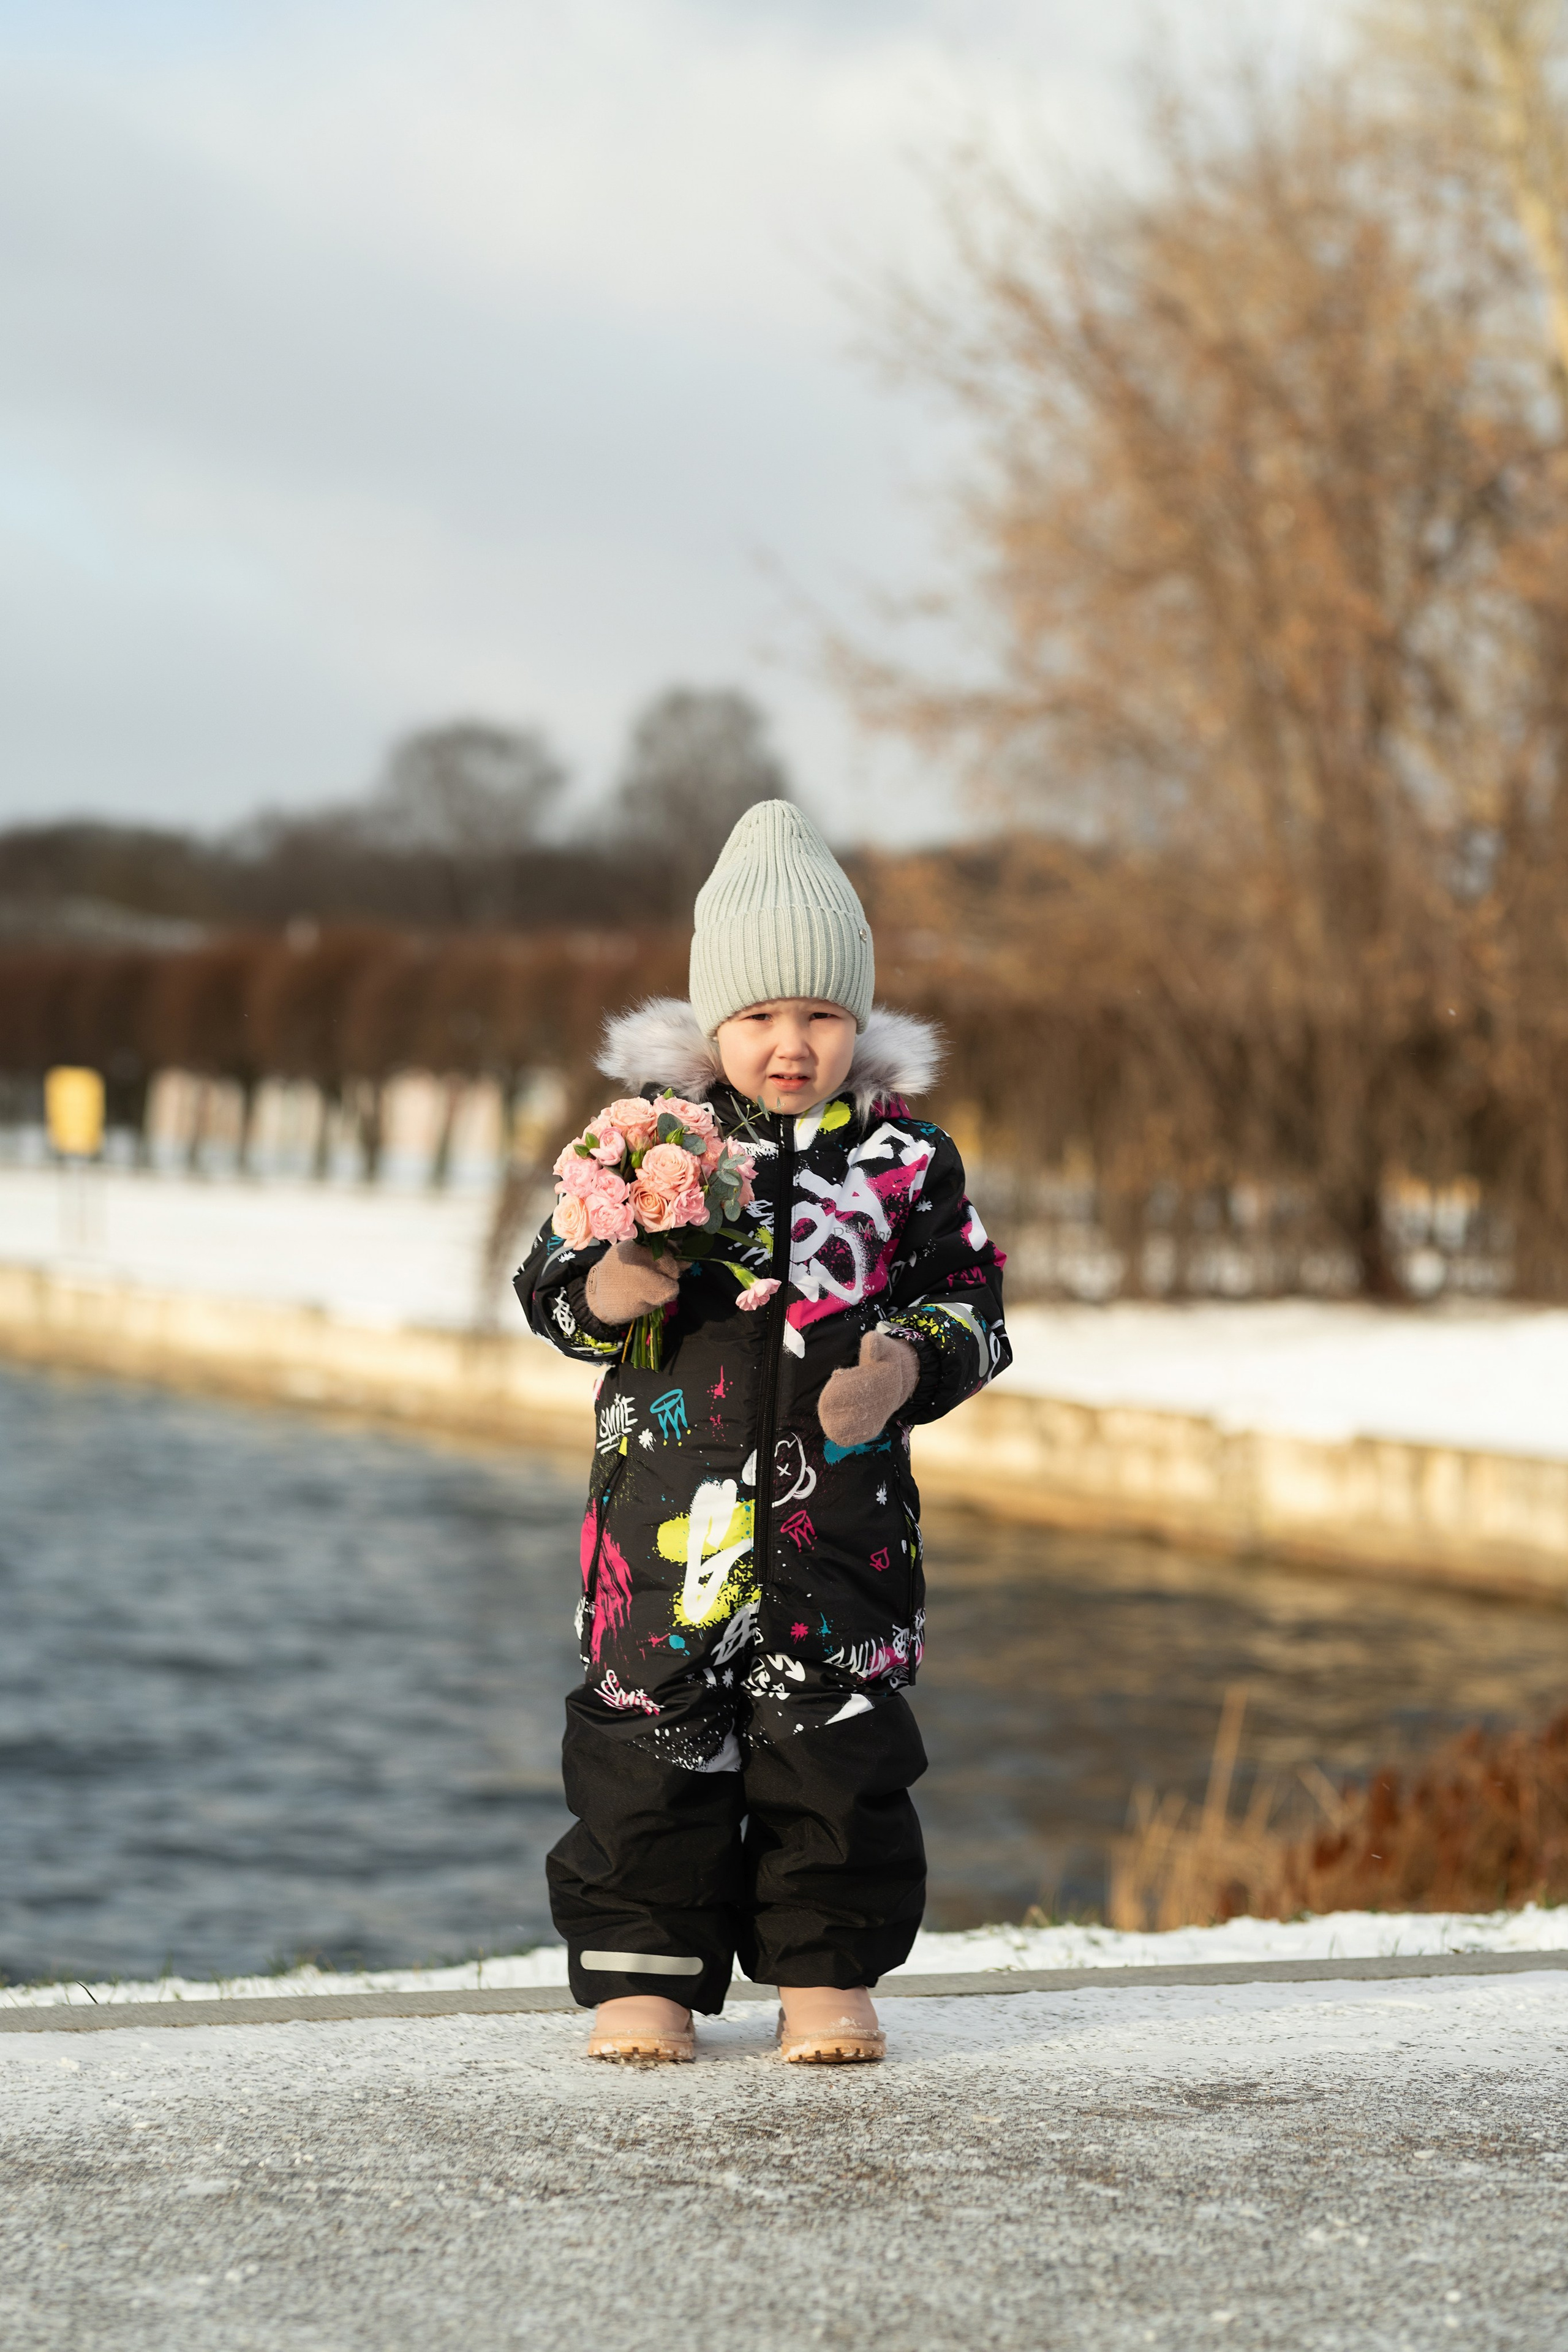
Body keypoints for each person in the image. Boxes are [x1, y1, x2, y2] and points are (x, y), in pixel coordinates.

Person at [515, 801, 1010, 2062]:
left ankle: (824, 1972)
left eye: (819, 1016)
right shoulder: (646, 1141)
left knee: (833, 1742)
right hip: (663, 1520)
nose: (790, 1045)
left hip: (840, 1520)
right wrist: (603, 1288)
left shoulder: (904, 1158)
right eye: (759, 1018)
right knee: (648, 1733)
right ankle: (643, 1978)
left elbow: (974, 1308)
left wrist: (909, 1361)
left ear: (857, 1021)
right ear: (712, 1023)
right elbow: (548, 1283)